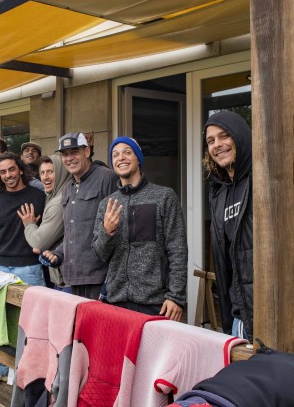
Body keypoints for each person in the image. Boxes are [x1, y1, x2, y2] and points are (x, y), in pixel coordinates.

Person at [203, 110, 294, 354]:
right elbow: (227, 264)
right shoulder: (219, 193)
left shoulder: (282, 178)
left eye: (225, 136)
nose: (217, 145)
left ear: (242, 137)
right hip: (242, 323)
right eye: (211, 140)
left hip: (287, 322)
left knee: (290, 392)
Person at [91, 137, 187, 320]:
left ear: (138, 159)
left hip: (155, 303)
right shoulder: (107, 204)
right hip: (116, 301)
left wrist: (176, 296)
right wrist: (106, 232)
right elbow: (100, 254)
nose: (121, 158)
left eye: (127, 152)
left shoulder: (164, 197)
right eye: (115, 155)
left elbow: (178, 250)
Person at [0, 152, 46, 383]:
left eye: (11, 169)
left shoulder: (39, 197)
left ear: (20, 169)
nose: (8, 175)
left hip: (30, 268)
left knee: (32, 324)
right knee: (1, 322)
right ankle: (0, 368)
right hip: (0, 269)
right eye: (3, 172)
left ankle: (27, 370)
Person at [40, 132, 117, 300]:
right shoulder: (68, 188)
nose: (69, 158)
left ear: (87, 152)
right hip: (73, 279)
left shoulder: (107, 177)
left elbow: (119, 232)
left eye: (74, 152)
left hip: (99, 280)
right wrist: (58, 253)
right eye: (65, 154)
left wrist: (111, 281)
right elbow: (73, 232)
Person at [16, 155, 72, 286]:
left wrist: (29, 224)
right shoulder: (54, 196)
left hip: (67, 281)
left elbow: (38, 242)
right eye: (42, 172)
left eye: (50, 172)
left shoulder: (58, 202)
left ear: (61, 173)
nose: (45, 177)